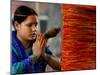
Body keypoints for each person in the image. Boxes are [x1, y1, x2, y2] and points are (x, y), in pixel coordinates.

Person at [11, 5, 61, 74]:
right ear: (17, 25)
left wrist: (44, 55)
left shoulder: (37, 42)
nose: (34, 29)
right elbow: (12, 70)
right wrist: (34, 57)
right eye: (29, 25)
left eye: (35, 25)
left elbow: (60, 65)